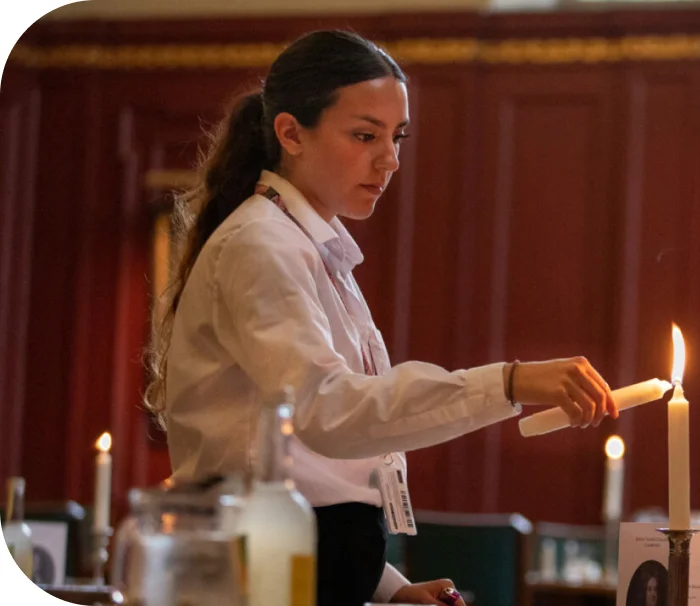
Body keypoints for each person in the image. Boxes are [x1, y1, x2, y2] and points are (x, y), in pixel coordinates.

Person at [143, 30, 618, 606]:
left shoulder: (308, 247)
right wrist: (509, 382)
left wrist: (389, 587)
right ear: (290, 132)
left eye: (397, 138)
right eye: (365, 135)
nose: (389, 160)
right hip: (251, 574)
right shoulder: (260, 245)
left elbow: (313, 471)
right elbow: (325, 411)